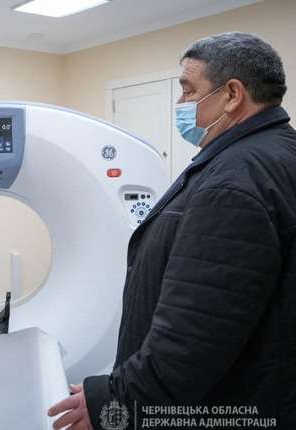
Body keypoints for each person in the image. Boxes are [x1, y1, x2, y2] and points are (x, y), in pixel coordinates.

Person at [49, 32, 295, 430]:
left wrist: (112, 402)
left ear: (232, 95)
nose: (180, 102)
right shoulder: (277, 153)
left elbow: (193, 338)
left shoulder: (232, 184)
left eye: (188, 90)